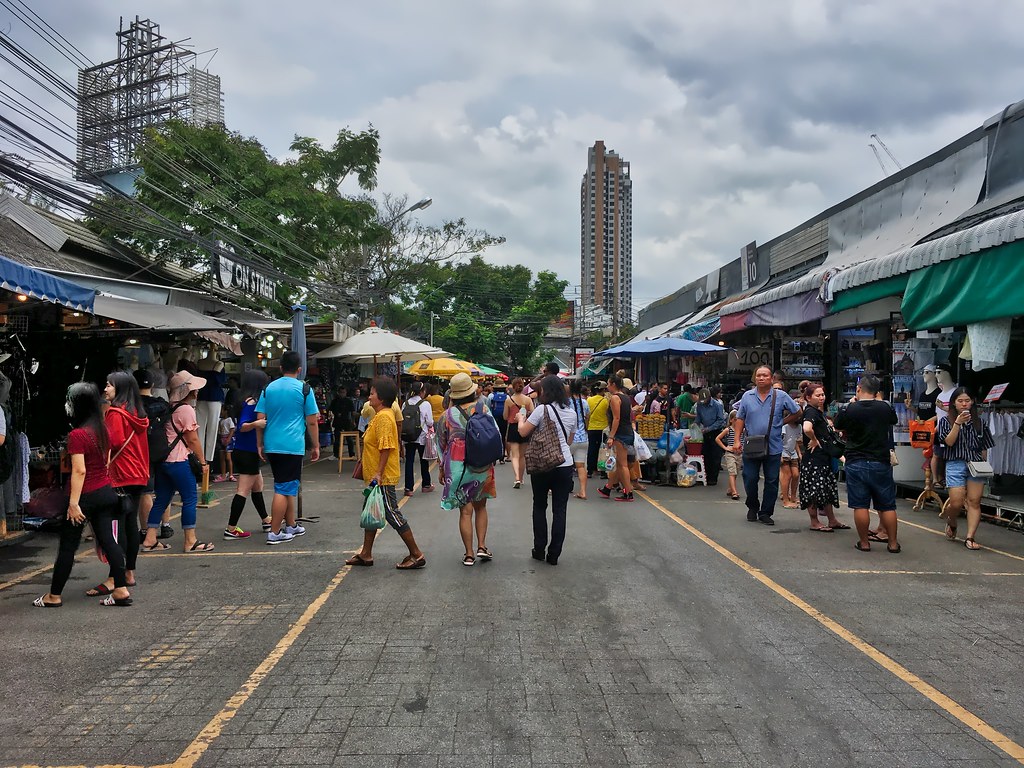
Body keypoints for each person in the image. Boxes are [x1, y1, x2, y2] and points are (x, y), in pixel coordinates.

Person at [34, 383, 131, 607]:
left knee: (68, 545)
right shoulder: (102, 429)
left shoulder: (78, 435)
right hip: (105, 492)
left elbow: (79, 470)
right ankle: (121, 589)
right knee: (109, 541)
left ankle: (54, 596)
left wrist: (74, 504)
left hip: (85, 495)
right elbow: (105, 462)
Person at [345, 377, 426, 569]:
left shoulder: (383, 417)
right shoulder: (382, 414)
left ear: (381, 398)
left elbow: (386, 447)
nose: (369, 396)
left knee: (391, 513)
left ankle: (416, 553)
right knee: (371, 511)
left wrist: (378, 474)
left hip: (381, 477)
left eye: (372, 393)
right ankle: (366, 554)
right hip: (376, 475)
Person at [86, 372, 149, 598]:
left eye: (109, 385)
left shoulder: (115, 414)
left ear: (119, 388)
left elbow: (111, 442)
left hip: (121, 475)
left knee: (117, 526)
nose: (105, 388)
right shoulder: (137, 413)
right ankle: (129, 572)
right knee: (130, 524)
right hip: (139, 474)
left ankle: (116, 577)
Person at [140, 371, 214, 553]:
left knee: (162, 500)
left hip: (164, 461)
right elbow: (193, 439)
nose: (197, 392)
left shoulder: (168, 407)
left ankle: (150, 539)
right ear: (188, 390)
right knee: (190, 499)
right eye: (194, 388)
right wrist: (203, 462)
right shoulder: (186, 410)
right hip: (179, 462)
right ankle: (190, 541)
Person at [256, 350, 319, 545]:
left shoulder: (268, 388)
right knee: (283, 488)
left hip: (272, 444)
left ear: (280, 367)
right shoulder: (305, 389)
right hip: (292, 445)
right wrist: (316, 445)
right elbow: (312, 422)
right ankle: (274, 532)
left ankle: (291, 525)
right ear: (299, 369)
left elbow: (260, 418)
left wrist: (259, 443)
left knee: (288, 484)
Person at [436, 372, 497, 566]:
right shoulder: (483, 408)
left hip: (457, 465)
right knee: (481, 507)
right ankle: (482, 546)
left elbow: (441, 444)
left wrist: (441, 469)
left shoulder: (447, 415)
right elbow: (493, 432)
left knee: (465, 512)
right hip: (481, 463)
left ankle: (469, 554)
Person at [835, 374, 900, 553]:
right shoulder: (885, 408)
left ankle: (864, 542)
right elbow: (893, 421)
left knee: (860, 504)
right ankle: (893, 543)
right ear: (877, 392)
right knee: (887, 505)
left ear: (859, 389)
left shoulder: (850, 408)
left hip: (856, 460)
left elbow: (838, 425)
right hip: (880, 460)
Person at [518, 375, 577, 565]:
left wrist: (520, 419)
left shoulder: (541, 409)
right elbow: (568, 441)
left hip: (542, 465)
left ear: (546, 391)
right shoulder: (571, 412)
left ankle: (539, 549)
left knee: (539, 505)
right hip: (564, 463)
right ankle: (554, 554)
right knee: (560, 510)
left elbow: (523, 432)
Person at [732, 366, 802, 525]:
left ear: (772, 379)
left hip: (774, 445)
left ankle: (765, 512)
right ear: (754, 378)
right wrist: (736, 440)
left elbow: (797, 412)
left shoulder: (781, 396)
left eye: (765, 375)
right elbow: (740, 418)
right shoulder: (747, 396)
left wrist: (782, 422)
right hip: (752, 444)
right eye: (758, 375)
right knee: (750, 478)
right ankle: (752, 506)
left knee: (771, 480)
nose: (761, 378)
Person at [937, 387, 994, 551]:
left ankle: (970, 537)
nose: (964, 404)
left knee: (974, 501)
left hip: (975, 464)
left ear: (972, 402)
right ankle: (952, 521)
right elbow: (948, 442)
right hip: (955, 462)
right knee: (956, 501)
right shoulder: (945, 421)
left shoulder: (980, 422)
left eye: (967, 401)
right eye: (960, 401)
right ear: (954, 403)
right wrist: (957, 423)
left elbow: (985, 447)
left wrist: (984, 465)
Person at [223, 370, 272, 540]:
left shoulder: (245, 400)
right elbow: (242, 426)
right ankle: (231, 528)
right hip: (248, 451)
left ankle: (266, 520)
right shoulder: (251, 403)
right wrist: (257, 423)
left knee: (258, 486)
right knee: (243, 490)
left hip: (244, 450)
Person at [799, 382, 848, 532]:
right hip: (814, 459)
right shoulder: (810, 412)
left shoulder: (817, 411)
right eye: (818, 395)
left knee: (827, 490)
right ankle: (814, 522)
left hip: (824, 457)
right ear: (808, 397)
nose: (821, 397)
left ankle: (832, 520)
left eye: (822, 394)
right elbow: (807, 428)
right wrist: (814, 439)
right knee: (814, 490)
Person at [134, 369, 173, 541]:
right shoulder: (163, 405)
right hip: (162, 448)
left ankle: (146, 530)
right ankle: (166, 526)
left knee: (146, 492)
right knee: (164, 489)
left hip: (141, 451)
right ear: (152, 384)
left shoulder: (132, 406)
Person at [597, 375, 635, 502]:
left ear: (613, 384)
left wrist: (611, 436)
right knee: (617, 463)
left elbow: (616, 418)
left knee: (622, 464)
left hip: (620, 433)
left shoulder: (615, 398)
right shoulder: (626, 398)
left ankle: (628, 492)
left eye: (608, 383)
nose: (607, 386)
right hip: (628, 431)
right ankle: (608, 487)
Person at [401, 381, 434, 497]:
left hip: (408, 436)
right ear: (422, 391)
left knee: (409, 461)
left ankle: (408, 488)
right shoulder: (425, 404)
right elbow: (430, 422)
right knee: (424, 460)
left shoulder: (405, 403)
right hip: (421, 436)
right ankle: (426, 485)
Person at [503, 377, 533, 489]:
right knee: (522, 456)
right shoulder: (528, 400)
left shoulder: (508, 400)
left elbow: (505, 416)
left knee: (514, 455)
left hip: (513, 427)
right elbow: (533, 413)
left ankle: (517, 478)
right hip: (525, 426)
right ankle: (521, 477)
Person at [694, 386, 727, 486]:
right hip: (704, 432)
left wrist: (709, 428)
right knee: (705, 454)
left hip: (716, 432)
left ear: (709, 398)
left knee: (715, 455)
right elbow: (698, 417)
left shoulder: (717, 405)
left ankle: (713, 478)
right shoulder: (699, 405)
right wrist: (695, 424)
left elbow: (720, 420)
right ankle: (706, 475)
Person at [567, 379, 591, 499]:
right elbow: (588, 418)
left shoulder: (566, 402)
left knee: (563, 463)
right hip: (583, 438)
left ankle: (555, 487)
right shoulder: (585, 403)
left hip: (570, 439)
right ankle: (583, 491)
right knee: (580, 466)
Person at [780, 389, 803, 508]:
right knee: (787, 474)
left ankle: (793, 496)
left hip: (792, 452)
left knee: (795, 474)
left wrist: (799, 453)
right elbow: (780, 439)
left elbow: (795, 441)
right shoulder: (785, 426)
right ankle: (785, 498)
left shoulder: (798, 427)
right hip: (783, 451)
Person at [715, 410, 742, 500]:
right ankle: (734, 492)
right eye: (735, 419)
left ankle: (730, 489)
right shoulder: (728, 430)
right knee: (732, 471)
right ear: (731, 420)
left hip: (739, 453)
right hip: (730, 453)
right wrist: (725, 447)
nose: (737, 421)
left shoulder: (742, 430)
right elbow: (718, 438)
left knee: (736, 472)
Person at [586, 382, 609, 477]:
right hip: (603, 429)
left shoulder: (589, 400)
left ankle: (590, 470)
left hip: (591, 427)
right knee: (603, 449)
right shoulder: (606, 401)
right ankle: (603, 471)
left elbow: (587, 414)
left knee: (592, 448)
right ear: (603, 390)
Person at [327, 386, 357, 459]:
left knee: (349, 438)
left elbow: (353, 412)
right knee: (337, 439)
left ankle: (351, 454)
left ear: (346, 393)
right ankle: (335, 454)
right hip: (337, 421)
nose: (342, 394)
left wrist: (353, 421)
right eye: (341, 392)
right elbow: (330, 410)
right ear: (338, 393)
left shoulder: (349, 401)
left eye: (344, 392)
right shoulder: (335, 401)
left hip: (347, 421)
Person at [215, 404, 236, 482]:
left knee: (228, 457)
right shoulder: (220, 421)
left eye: (222, 410)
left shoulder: (229, 420)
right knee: (222, 457)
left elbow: (232, 429)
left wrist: (229, 439)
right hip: (222, 438)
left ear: (226, 411)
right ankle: (223, 474)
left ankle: (231, 474)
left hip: (228, 438)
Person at [489, 382, 508, 463]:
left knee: (494, 437)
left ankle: (493, 457)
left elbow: (488, 407)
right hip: (504, 419)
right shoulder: (507, 396)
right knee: (503, 437)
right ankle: (502, 457)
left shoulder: (491, 396)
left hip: (494, 419)